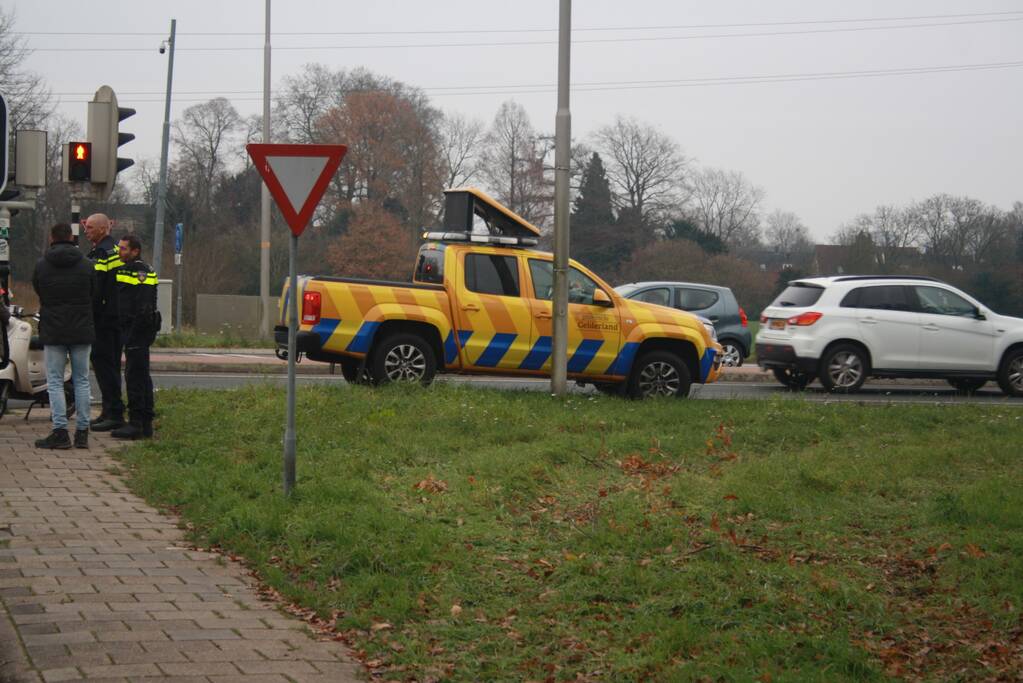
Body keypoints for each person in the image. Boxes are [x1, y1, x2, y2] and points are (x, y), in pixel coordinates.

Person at [31, 223, 95, 449]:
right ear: (71, 237)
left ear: (51, 238)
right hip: (81, 328)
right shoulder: (88, 265)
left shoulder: (42, 266)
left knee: (56, 381)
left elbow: (39, 290)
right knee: (82, 380)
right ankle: (82, 433)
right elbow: (93, 293)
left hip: (54, 328)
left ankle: (60, 432)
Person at [110, 234, 158, 440]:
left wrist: (132, 333)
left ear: (135, 251)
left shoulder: (138, 271)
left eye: (123, 249)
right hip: (135, 329)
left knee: (135, 376)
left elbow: (143, 305)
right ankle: (145, 422)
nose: (119, 252)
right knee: (141, 375)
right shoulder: (134, 269)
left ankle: (137, 423)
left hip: (137, 330)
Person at [83, 213, 125, 431]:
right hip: (115, 316)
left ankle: (114, 413)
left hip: (104, 318)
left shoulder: (101, 252)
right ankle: (109, 410)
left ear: (102, 229)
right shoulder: (115, 249)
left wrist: (90, 311)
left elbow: (95, 287)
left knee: (104, 365)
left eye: (89, 227)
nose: (85, 230)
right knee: (111, 365)